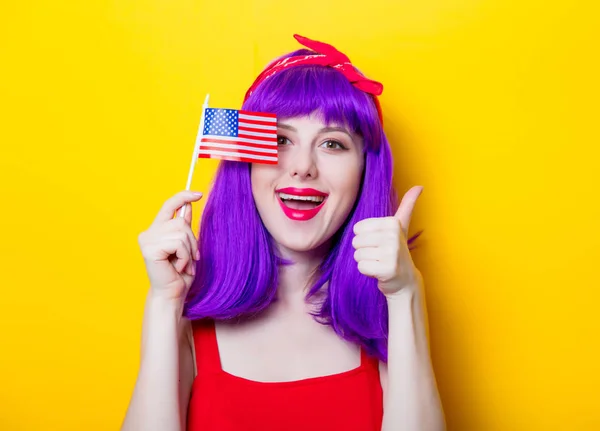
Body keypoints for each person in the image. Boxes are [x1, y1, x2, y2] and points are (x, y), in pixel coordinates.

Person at [122, 34, 445, 431]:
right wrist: (163, 302)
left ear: (364, 172)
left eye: (332, 143)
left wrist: (404, 295)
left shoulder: (383, 314)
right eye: (280, 140)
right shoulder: (189, 318)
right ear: (247, 162)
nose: (302, 167)